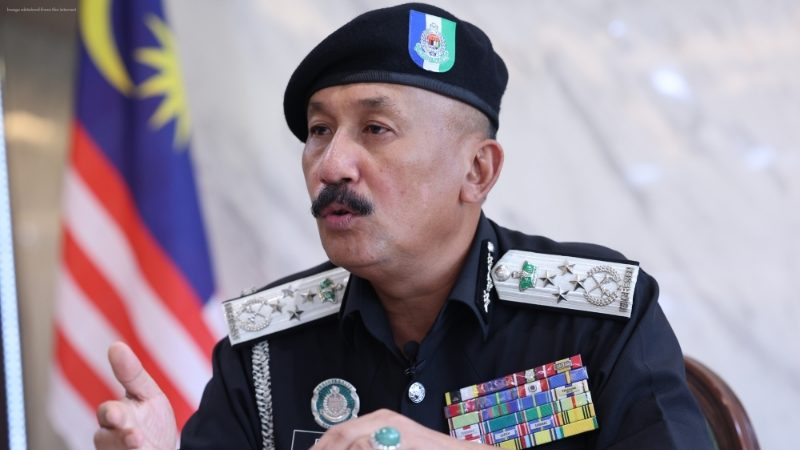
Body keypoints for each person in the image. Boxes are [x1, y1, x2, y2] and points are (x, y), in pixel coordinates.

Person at [94, 3, 713, 450]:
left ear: (476, 171)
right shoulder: (267, 344)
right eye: (319, 130)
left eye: (375, 129)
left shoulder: (593, 315)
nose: (331, 164)